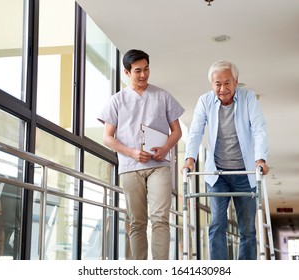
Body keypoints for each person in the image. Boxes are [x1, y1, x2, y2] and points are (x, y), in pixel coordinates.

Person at [97, 49, 184, 260]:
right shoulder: (116, 101)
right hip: (130, 166)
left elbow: (177, 131)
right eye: (138, 71)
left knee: (160, 218)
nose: (143, 75)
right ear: (127, 73)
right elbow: (107, 137)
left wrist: (165, 148)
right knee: (137, 221)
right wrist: (132, 152)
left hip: (159, 165)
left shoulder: (162, 96)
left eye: (146, 69)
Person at [183, 60, 269, 260]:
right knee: (216, 225)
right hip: (217, 174)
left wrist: (260, 159)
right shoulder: (204, 101)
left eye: (227, 83)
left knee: (247, 229)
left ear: (236, 81)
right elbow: (195, 131)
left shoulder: (248, 99)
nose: (223, 89)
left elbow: (259, 129)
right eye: (217, 84)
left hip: (245, 173)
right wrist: (189, 159)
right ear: (212, 85)